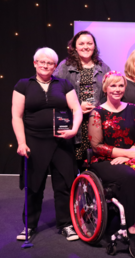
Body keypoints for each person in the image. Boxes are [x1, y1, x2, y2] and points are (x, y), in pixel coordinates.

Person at [88, 71, 135, 258]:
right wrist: (125, 154)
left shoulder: (132, 109)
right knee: (129, 177)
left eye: (121, 85)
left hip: (131, 156)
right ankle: (133, 230)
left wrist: (133, 152)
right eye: (113, 85)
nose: (117, 89)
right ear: (105, 88)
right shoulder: (98, 113)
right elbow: (96, 146)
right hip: (105, 161)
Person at [12, 47, 82, 241]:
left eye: (50, 63)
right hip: (34, 141)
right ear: (35, 63)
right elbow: (16, 117)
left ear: (54, 66)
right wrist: (21, 142)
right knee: (34, 185)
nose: (45, 65)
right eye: (42, 62)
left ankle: (67, 224)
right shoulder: (23, 85)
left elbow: (76, 110)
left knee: (65, 184)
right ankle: (30, 226)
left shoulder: (64, 84)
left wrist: (74, 130)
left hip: (62, 140)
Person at [54, 30, 111, 170]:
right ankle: (77, 191)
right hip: (74, 124)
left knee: (94, 164)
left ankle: (91, 190)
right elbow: (54, 93)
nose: (86, 47)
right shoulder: (65, 67)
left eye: (89, 43)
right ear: (74, 47)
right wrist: (78, 106)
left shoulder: (103, 68)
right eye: (81, 43)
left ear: (94, 46)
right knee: (75, 164)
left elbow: (110, 94)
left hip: (96, 122)